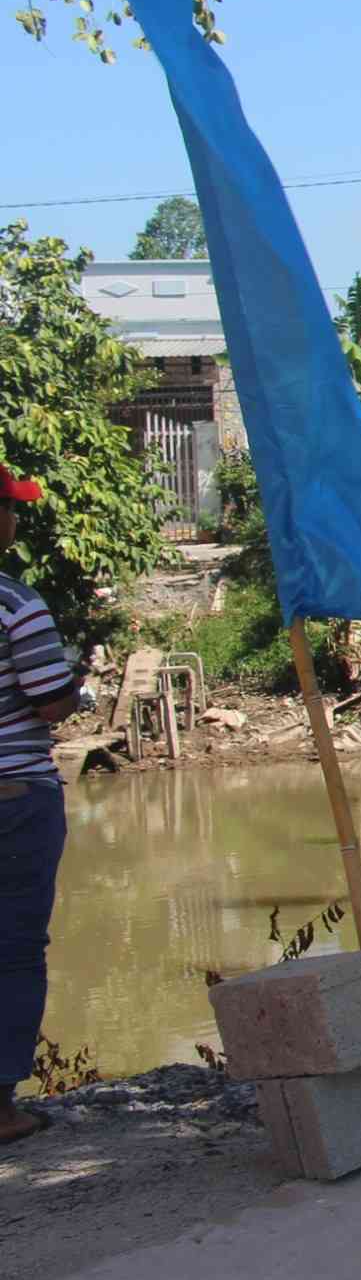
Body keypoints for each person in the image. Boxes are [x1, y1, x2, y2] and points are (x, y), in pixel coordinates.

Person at [0, 461, 77, 1147]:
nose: (17, 519)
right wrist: (73, 684)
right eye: (11, 508)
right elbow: (51, 701)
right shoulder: (16, 605)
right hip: (14, 798)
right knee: (14, 951)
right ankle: (1, 1110)